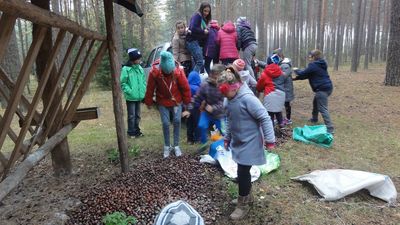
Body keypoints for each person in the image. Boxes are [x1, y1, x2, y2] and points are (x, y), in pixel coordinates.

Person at [217, 69, 275, 220]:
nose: (223, 96)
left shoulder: (248, 99)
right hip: (239, 140)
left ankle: (243, 204)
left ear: (234, 87)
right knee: (242, 171)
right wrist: (227, 137)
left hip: (251, 141)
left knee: (242, 172)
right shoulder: (228, 99)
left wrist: (270, 140)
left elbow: (265, 117)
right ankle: (247, 196)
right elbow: (229, 119)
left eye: (225, 92)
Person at [144, 51, 191, 158]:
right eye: (166, 73)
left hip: (176, 101)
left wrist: (187, 105)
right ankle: (166, 146)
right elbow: (150, 88)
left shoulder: (178, 71)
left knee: (177, 121)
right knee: (165, 123)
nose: (168, 74)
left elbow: (185, 89)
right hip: (162, 101)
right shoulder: (154, 72)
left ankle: (176, 145)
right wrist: (148, 101)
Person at [293, 49, 334, 134]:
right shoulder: (321, 64)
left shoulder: (313, 65)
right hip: (328, 87)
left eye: (310, 56)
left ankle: (330, 128)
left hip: (321, 89)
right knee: (316, 102)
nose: (309, 57)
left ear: (313, 57)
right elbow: (307, 75)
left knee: (322, 108)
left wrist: (296, 69)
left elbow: (303, 73)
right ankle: (314, 118)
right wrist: (294, 79)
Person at [194, 64, 226, 152]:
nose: (215, 78)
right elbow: (198, 97)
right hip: (207, 112)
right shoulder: (205, 84)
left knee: (224, 131)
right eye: (213, 75)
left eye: (217, 76)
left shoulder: (224, 86)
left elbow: (224, 102)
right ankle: (204, 143)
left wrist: (213, 108)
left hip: (220, 114)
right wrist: (191, 107)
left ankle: (228, 146)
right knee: (201, 125)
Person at [120, 48, 146, 138]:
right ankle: (131, 132)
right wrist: (129, 91)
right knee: (132, 115)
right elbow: (123, 82)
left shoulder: (140, 68)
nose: (140, 60)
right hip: (131, 96)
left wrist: (143, 90)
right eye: (138, 59)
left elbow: (143, 81)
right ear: (133, 59)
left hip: (139, 96)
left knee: (138, 115)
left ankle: (137, 131)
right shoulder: (126, 69)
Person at [256, 54, 286, 128]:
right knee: (278, 110)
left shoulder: (265, 74)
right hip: (281, 95)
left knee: (270, 114)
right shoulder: (282, 73)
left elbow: (259, 87)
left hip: (270, 94)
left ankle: (271, 129)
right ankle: (281, 123)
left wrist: (260, 89)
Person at [186, 2, 212, 73]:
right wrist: (204, 31)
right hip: (192, 41)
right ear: (201, 9)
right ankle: (193, 79)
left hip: (195, 42)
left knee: (197, 63)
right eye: (205, 11)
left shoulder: (202, 18)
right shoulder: (197, 16)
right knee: (200, 62)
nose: (206, 13)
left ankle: (195, 79)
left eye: (208, 11)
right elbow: (193, 28)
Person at [184, 71, 202, 145]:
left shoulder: (186, 87)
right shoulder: (198, 88)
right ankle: (197, 139)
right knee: (197, 123)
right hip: (196, 108)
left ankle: (190, 140)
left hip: (188, 107)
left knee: (189, 124)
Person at [281, 57, 294, 125]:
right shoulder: (286, 66)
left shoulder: (285, 66)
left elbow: (284, 76)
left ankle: (288, 119)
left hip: (286, 89)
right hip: (287, 88)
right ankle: (287, 118)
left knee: (286, 105)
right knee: (286, 104)